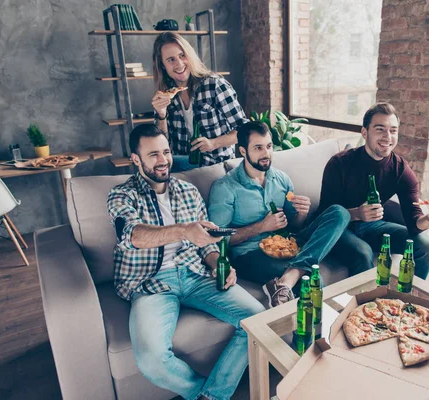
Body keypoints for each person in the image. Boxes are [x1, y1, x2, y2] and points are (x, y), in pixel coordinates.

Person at [106, 124, 265, 400]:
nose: (163, 160)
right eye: (153, 154)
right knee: (152, 359)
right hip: (150, 283)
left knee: (258, 319)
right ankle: (206, 393)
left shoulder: (188, 191)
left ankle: (213, 396)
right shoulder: (122, 195)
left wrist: (218, 264)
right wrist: (182, 230)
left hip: (196, 275)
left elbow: (206, 246)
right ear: (136, 159)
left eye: (166, 152)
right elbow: (132, 235)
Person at [208, 121, 352, 308]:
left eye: (268, 146)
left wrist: (301, 213)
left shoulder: (281, 179)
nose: (266, 153)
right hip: (249, 254)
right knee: (310, 281)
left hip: (286, 244)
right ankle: (310, 332)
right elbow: (218, 239)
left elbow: (294, 227)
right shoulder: (225, 187)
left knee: (339, 213)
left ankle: (290, 275)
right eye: (258, 148)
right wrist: (262, 226)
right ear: (242, 151)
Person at [318, 102, 429, 279]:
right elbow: (324, 215)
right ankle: (367, 305)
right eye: (380, 129)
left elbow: (414, 223)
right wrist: (357, 213)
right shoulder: (339, 164)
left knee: (425, 246)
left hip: (372, 227)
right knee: (363, 252)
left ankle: (408, 302)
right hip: (338, 229)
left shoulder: (400, 170)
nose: (387, 137)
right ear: (365, 132)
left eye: (393, 130)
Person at [151, 32, 248, 172]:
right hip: (183, 168)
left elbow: (245, 130)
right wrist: (161, 114)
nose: (179, 63)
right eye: (171, 60)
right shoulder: (165, 95)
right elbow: (162, 145)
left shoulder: (215, 84)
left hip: (216, 166)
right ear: (163, 66)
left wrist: (213, 143)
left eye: (182, 55)